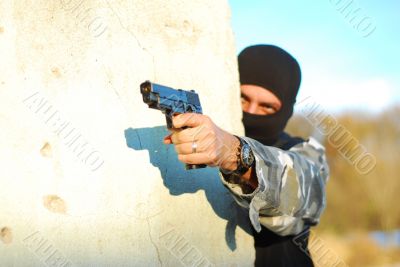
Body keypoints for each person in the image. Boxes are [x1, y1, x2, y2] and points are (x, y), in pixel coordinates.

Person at [163, 44, 329, 266]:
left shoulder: (306, 152)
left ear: (287, 109)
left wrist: (236, 154)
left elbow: (301, 194)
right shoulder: (208, 135)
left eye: (267, 107)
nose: (251, 112)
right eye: (242, 99)